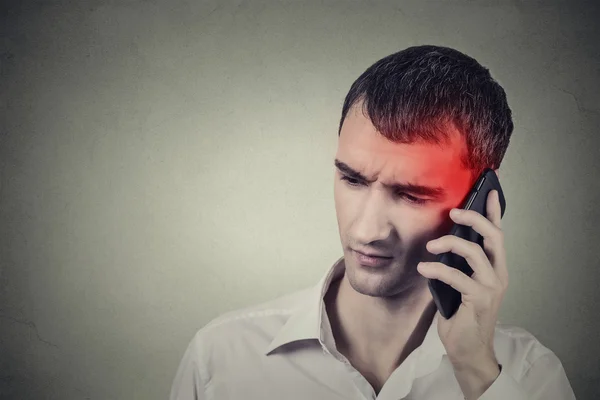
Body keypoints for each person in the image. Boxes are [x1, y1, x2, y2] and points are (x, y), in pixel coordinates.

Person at [169, 45, 576, 400]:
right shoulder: (220, 361)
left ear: (483, 201)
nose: (365, 231)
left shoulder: (527, 376)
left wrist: (475, 371)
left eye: (412, 194)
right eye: (351, 179)